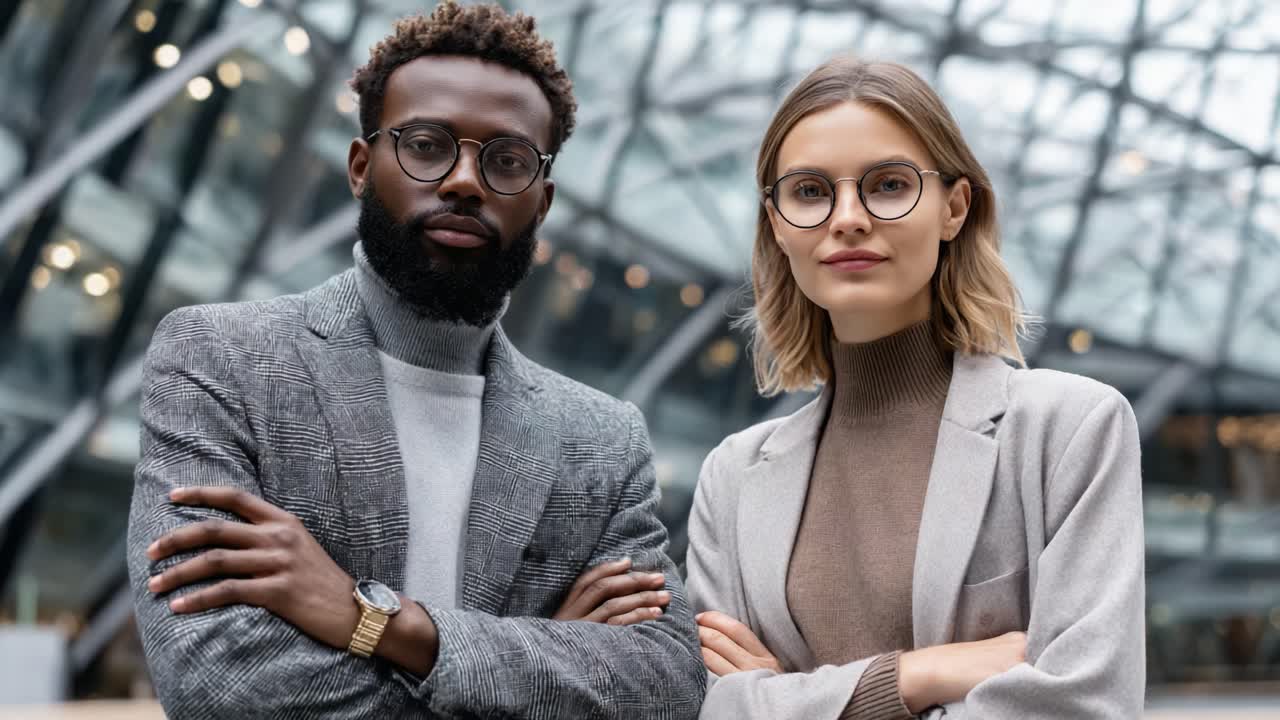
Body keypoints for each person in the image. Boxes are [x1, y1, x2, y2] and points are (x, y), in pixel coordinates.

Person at [126, 3, 704, 718]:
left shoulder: (603, 441)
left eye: (508, 160)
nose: (465, 179)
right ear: (362, 168)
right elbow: (220, 684)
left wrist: (383, 623)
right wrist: (541, 659)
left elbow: (664, 686)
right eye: (427, 144)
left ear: (543, 200)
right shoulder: (221, 361)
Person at [685, 56, 1145, 719]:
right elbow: (709, 708)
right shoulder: (732, 478)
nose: (847, 217)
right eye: (810, 191)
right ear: (777, 224)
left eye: (889, 184)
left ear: (954, 208)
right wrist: (913, 676)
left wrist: (788, 698)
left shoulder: (1070, 430)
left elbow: (1084, 706)